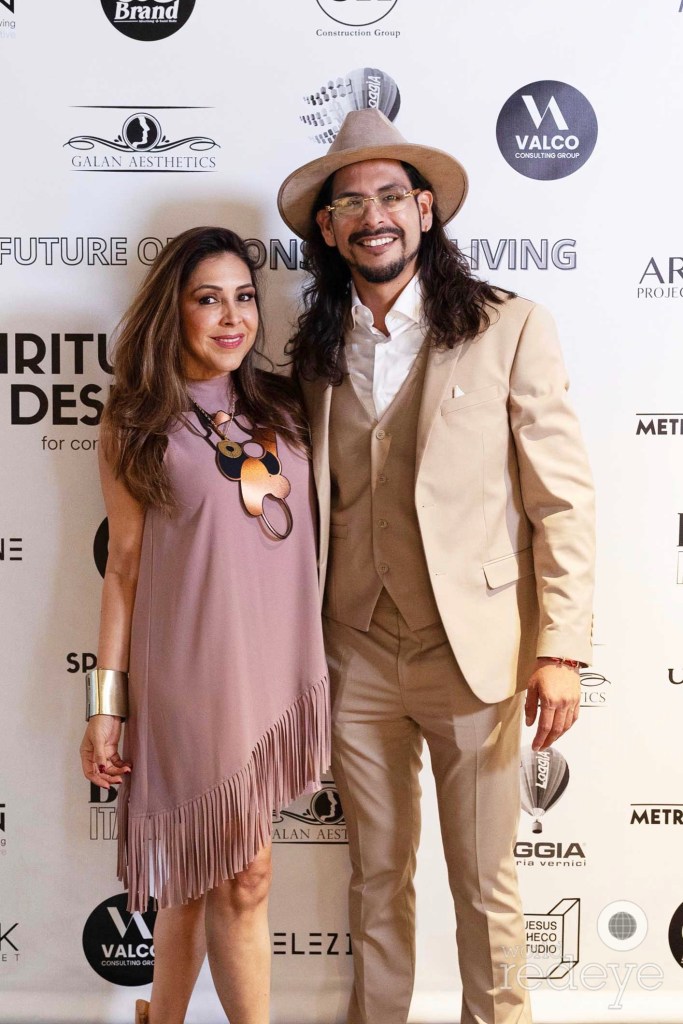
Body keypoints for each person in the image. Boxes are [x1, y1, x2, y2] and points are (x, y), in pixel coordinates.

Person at [277, 109, 595, 1024]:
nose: (371, 216)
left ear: (422, 211)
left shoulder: (510, 326)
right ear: (328, 228)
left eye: (390, 196)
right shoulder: (312, 350)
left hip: (474, 653)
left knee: (484, 884)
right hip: (354, 652)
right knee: (374, 879)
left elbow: (560, 499)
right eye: (349, 203)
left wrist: (560, 647)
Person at [78, 226, 329, 1024]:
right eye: (208, 299)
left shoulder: (286, 405)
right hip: (190, 675)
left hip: (276, 670)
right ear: (174, 311)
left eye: (244, 298)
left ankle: (161, 1017)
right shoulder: (137, 420)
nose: (232, 317)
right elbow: (123, 569)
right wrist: (105, 707)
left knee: (199, 875)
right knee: (241, 872)